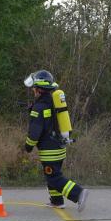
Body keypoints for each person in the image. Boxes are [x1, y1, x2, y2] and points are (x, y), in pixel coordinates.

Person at [23, 70, 88, 211]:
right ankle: (57, 201)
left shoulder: (39, 107)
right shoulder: (53, 103)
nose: (33, 90)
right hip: (59, 147)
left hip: (49, 150)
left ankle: (78, 193)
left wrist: (28, 146)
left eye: (34, 88)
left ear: (39, 90)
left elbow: (34, 132)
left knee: (53, 177)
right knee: (51, 175)